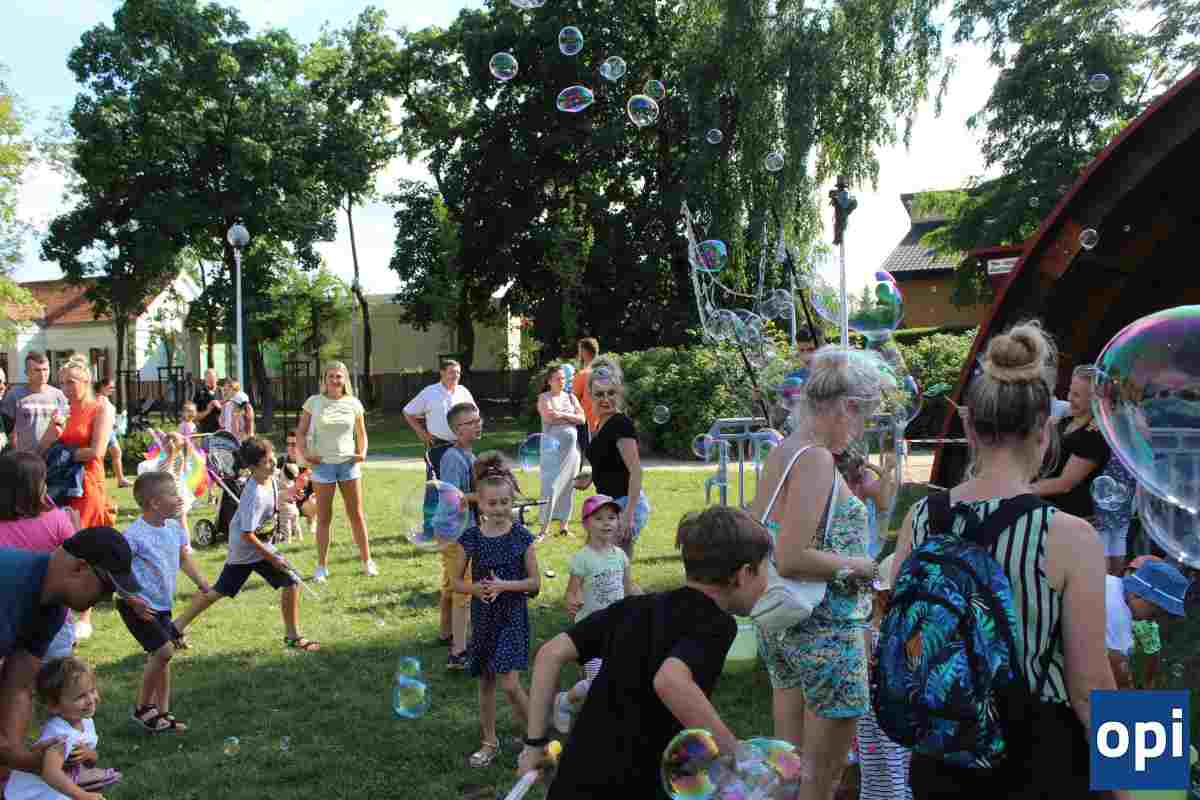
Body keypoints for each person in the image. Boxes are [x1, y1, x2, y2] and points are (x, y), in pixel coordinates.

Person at [890, 321, 1122, 800]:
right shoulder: (1069, 535)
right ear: (1044, 431)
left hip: (940, 753)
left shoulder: (921, 517)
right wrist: (1139, 783)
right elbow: (1090, 687)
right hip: (1037, 759)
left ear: (970, 427)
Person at [518, 506, 771, 796]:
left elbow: (550, 654)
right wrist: (737, 755)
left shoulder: (634, 607)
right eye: (767, 570)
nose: (768, 582)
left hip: (577, 775)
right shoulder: (717, 624)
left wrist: (534, 745)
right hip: (634, 784)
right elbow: (670, 681)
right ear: (744, 575)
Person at [748, 346, 882, 799]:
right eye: (862, 418)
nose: (860, 431)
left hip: (783, 629)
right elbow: (791, 556)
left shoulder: (784, 451)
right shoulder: (817, 458)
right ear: (846, 407)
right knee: (821, 783)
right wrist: (862, 566)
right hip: (825, 634)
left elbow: (765, 537)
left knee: (789, 774)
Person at [0, 527, 146, 774]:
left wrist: (16, 759)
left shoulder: (52, 608)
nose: (105, 598)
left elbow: (19, 686)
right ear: (80, 567)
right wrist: (24, 761)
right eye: (106, 587)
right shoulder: (8, 586)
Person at [173, 437, 320, 653]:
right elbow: (246, 535)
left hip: (260, 546)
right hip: (246, 550)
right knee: (218, 592)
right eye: (267, 461)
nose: (273, 463)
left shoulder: (270, 478)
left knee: (290, 581)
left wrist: (288, 495)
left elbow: (273, 500)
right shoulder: (254, 494)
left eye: (272, 458)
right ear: (253, 467)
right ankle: (175, 627)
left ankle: (292, 636)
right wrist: (272, 557)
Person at [451, 452, 539, 768]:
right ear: (481, 504)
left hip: (512, 616)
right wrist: (476, 589)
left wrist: (504, 586)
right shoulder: (471, 538)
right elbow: (455, 582)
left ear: (512, 501)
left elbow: (535, 583)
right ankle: (489, 742)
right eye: (492, 503)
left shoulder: (521, 537)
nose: (499, 509)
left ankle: (537, 739)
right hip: (484, 617)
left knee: (510, 683)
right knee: (486, 681)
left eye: (505, 502)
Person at [120, 472, 211, 734]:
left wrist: (201, 582)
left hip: (161, 605)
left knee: (161, 658)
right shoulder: (133, 536)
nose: (179, 498)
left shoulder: (174, 528)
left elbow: (182, 559)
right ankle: (142, 709)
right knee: (164, 652)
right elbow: (116, 572)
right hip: (138, 606)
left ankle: (163, 714)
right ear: (155, 503)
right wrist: (131, 599)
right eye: (173, 494)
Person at [553, 494, 640, 733]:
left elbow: (628, 587)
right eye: (599, 518)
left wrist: (645, 601)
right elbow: (571, 592)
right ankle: (564, 702)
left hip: (618, 627)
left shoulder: (620, 556)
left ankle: (609, 721)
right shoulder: (582, 558)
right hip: (590, 631)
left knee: (616, 676)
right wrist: (572, 601)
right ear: (586, 524)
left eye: (611, 517)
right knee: (596, 680)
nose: (606, 523)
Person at [297, 361, 375, 581]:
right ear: (324, 379)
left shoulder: (353, 403)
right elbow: (301, 432)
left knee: (356, 515)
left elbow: (362, 434)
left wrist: (362, 453)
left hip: (348, 465)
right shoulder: (314, 402)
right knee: (324, 517)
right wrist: (306, 455)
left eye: (339, 376)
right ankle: (321, 567)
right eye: (330, 376)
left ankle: (367, 562)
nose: (335, 380)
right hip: (323, 466)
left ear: (345, 379)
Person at [0, 453, 81, 661]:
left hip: (7, 616)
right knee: (56, 675)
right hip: (51, 616)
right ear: (35, 487)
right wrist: (77, 529)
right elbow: (80, 559)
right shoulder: (57, 520)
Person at [3, 657, 120, 800]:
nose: (91, 700)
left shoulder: (86, 722)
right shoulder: (59, 735)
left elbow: (91, 760)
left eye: (92, 690)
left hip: (55, 789)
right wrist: (83, 795)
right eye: (81, 696)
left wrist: (89, 754)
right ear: (54, 706)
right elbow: (50, 773)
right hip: (32, 794)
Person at [573, 358, 649, 559]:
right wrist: (590, 478)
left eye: (611, 393)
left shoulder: (620, 424)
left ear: (619, 393)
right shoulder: (601, 424)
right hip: (609, 504)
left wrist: (628, 515)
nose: (605, 399)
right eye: (599, 394)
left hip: (625, 504)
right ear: (590, 395)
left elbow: (636, 471)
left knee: (610, 565)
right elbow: (610, 462)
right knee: (607, 565)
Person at [854, 553, 913, 800]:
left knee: (897, 778)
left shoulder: (904, 635)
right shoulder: (867, 635)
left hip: (897, 724)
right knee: (887, 779)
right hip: (879, 727)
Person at [39, 358, 114, 530]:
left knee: (84, 536)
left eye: (71, 382)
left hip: (87, 483)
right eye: (62, 383)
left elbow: (97, 452)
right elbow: (43, 449)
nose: (66, 389)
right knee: (61, 537)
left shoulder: (100, 408)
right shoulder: (62, 411)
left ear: (86, 381)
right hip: (59, 483)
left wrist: (63, 453)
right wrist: (50, 435)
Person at [1031, 363, 1110, 524]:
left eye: (1077, 395)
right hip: (1045, 508)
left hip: (1069, 517)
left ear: (1094, 399)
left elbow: (1065, 484)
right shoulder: (1064, 421)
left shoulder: (1094, 435)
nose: (1069, 398)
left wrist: (1021, 490)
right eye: (1070, 391)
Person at [437, 402, 481, 670]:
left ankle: (446, 633)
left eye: (478, 420)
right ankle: (458, 652)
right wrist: (485, 496)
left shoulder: (469, 455)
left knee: (450, 584)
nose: (478, 425)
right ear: (456, 430)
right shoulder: (453, 458)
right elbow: (454, 498)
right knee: (463, 589)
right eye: (471, 422)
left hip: (456, 531)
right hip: (457, 533)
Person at [1105, 557, 1189, 689]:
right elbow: (1118, 667)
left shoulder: (1111, 582)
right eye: (1154, 614)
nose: (1153, 621)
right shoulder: (1120, 619)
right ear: (1139, 595)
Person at [403, 359, 476, 491]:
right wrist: (422, 433)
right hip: (439, 448)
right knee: (439, 489)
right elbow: (408, 412)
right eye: (452, 372)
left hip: (462, 447)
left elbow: (475, 414)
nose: (456, 375)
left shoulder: (463, 392)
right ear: (442, 373)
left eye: (458, 373)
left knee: (465, 487)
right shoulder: (430, 392)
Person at [536, 365, 585, 540]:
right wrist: (570, 417)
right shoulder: (544, 397)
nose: (561, 381)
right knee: (550, 487)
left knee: (568, 487)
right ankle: (544, 529)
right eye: (558, 378)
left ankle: (564, 526)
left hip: (572, 452)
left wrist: (561, 415)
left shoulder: (571, 397)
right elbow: (548, 417)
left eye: (563, 378)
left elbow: (582, 419)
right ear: (549, 381)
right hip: (552, 451)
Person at [1, 352, 69, 454]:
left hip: (52, 456)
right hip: (24, 456)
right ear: (27, 372)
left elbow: (65, 425)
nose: (42, 374)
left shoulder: (59, 395)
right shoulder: (14, 395)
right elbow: (6, 427)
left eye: (45, 369)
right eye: (37, 370)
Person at [93, 379, 130, 489]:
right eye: (110, 387)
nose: (113, 390)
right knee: (99, 455)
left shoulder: (104, 398)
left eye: (113, 387)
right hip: (103, 430)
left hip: (110, 431)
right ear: (102, 387)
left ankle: (121, 480)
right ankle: (97, 481)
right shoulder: (98, 398)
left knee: (116, 452)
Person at [572, 338, 599, 453]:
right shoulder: (608, 373)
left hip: (587, 425)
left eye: (579, 350)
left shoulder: (583, 375)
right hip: (605, 422)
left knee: (583, 458)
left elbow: (573, 401)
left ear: (583, 352)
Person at [191, 369, 222, 437]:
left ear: (217, 379)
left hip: (222, 432)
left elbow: (232, 413)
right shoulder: (199, 394)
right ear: (204, 379)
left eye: (212, 378)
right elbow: (194, 417)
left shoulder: (223, 392)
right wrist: (207, 411)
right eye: (208, 378)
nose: (210, 380)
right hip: (205, 432)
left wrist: (220, 407)